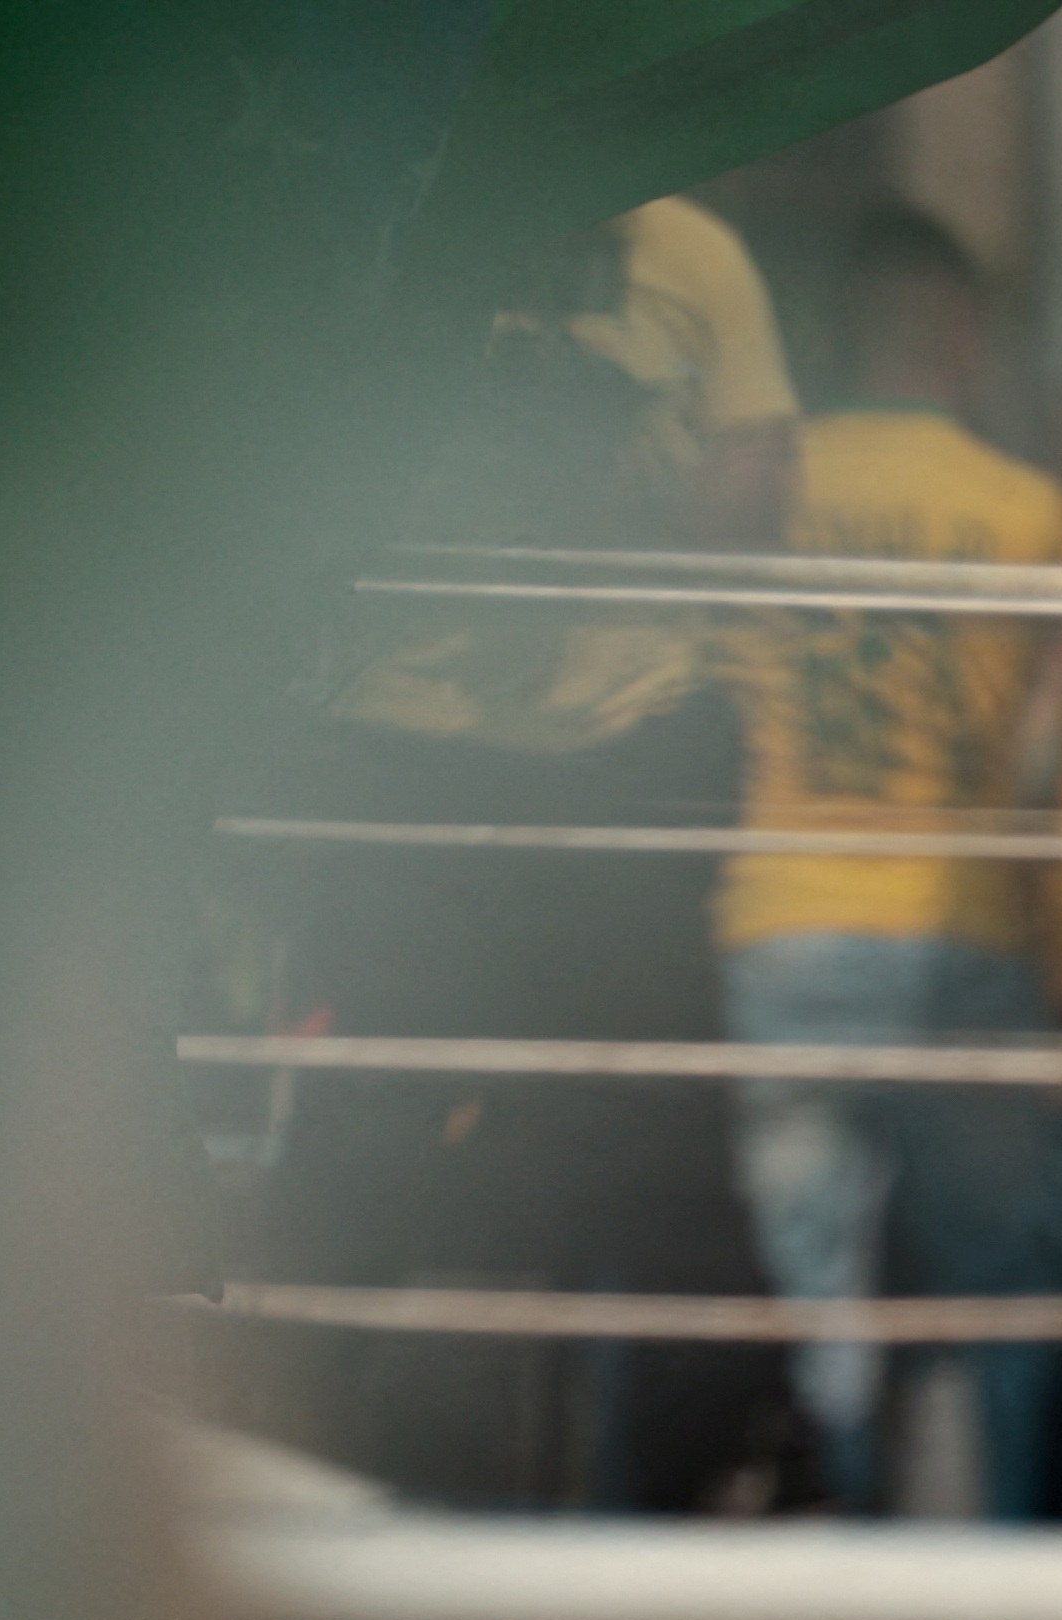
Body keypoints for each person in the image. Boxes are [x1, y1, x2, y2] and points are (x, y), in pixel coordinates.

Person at [275, 196, 806, 1511]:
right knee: (386, 1125)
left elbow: (757, 483)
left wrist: (630, 464)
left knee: (649, 1137)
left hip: (614, 753)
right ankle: (306, 1448)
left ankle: (684, 1474)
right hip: (407, 757)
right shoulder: (402, 211)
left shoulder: (678, 245)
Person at [711, 209, 1062, 1525]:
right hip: (962, 936)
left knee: (812, 1298)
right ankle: (1012, 1564)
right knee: (1003, 1280)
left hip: (782, 921)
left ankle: (828, 1544)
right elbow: (1047, 760)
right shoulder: (1027, 508)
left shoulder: (767, 488)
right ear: (963, 335)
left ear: (834, 334)